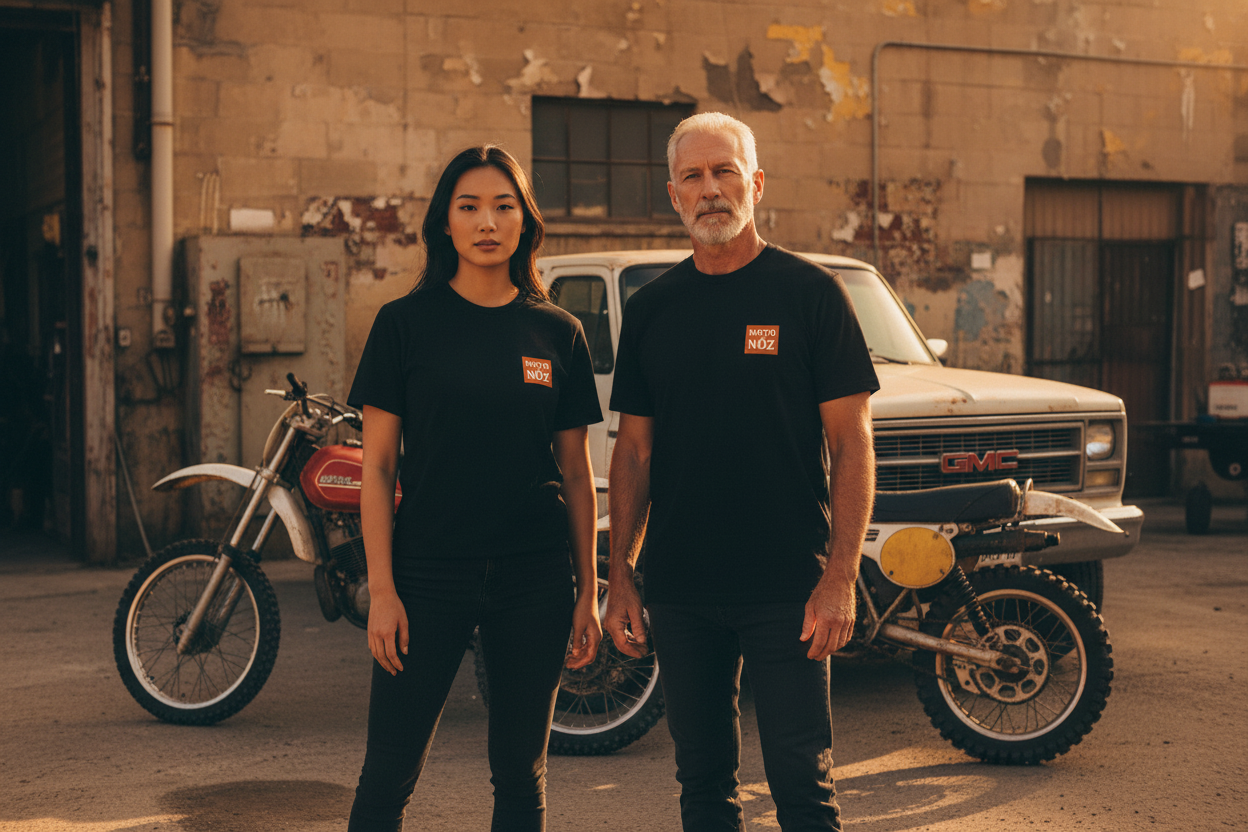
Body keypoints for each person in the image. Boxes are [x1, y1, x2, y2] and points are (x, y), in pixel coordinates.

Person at [603, 113, 880, 831]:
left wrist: (840, 576)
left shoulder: (810, 294)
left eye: (725, 171)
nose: (711, 189)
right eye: (693, 176)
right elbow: (632, 452)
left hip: (789, 587)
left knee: (802, 783)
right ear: (674, 195)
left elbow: (852, 443)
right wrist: (620, 576)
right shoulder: (652, 310)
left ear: (755, 184)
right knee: (702, 784)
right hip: (683, 589)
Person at [346, 145, 603, 832]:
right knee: (386, 775)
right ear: (446, 223)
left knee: (522, 777)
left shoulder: (559, 332)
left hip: (535, 580)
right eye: (469, 207)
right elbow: (376, 468)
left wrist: (588, 592)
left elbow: (576, 475)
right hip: (426, 573)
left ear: (525, 221)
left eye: (503, 206)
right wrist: (382, 590)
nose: (487, 221)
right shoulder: (404, 325)